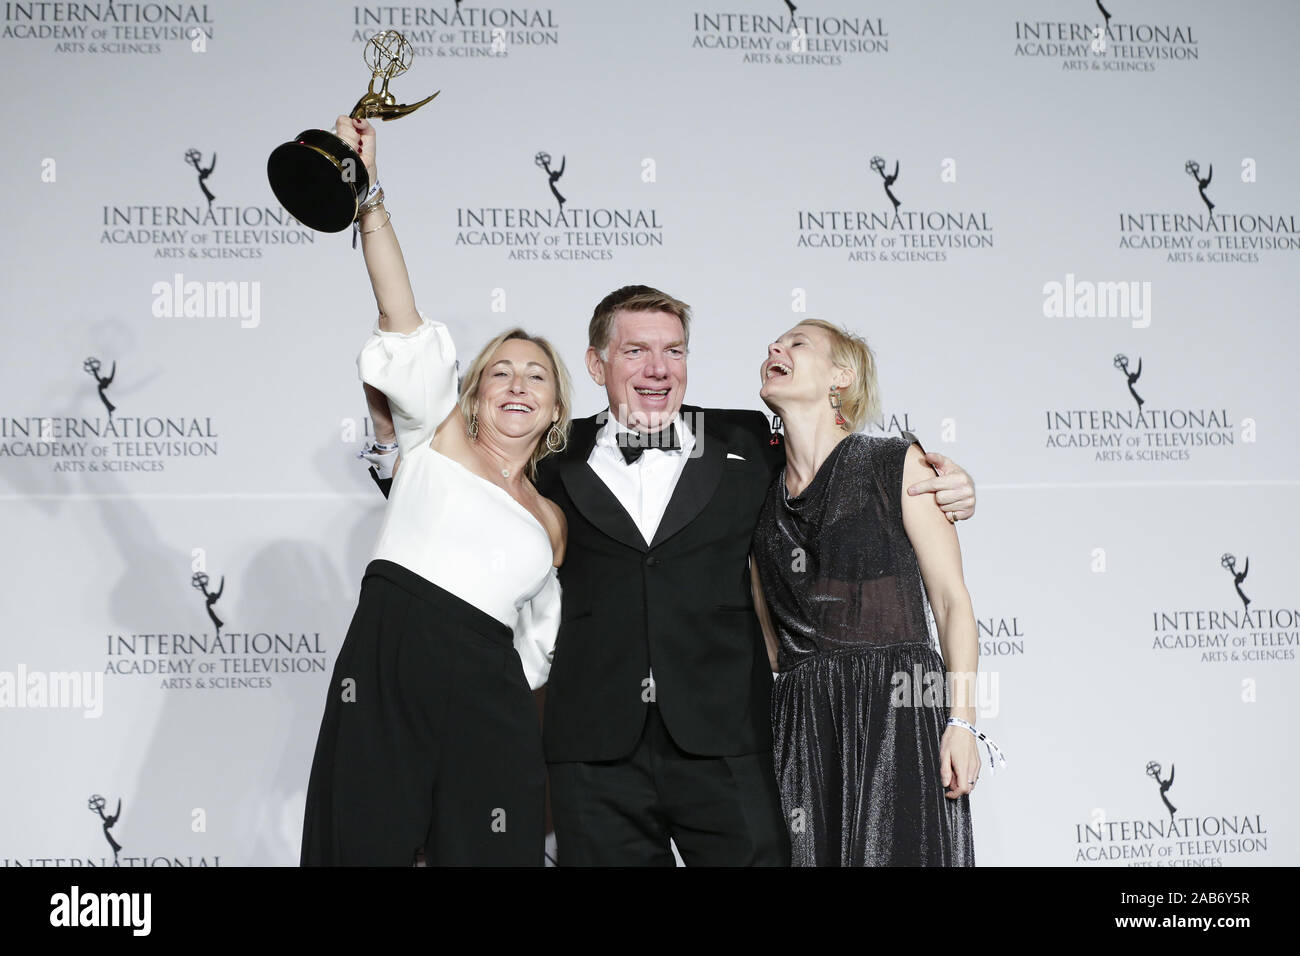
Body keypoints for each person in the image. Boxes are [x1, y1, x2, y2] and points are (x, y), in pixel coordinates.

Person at [366, 287, 977, 866]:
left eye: (673, 350)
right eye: (635, 350)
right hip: (592, 755)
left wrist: (951, 484)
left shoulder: (748, 441)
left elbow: (835, 462)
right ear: (597, 364)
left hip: (733, 744)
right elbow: (461, 484)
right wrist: (389, 439)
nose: (658, 367)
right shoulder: (551, 454)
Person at [300, 115, 572, 866]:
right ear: (473, 396)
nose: (517, 383)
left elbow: (539, 645)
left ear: (554, 411)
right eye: (501, 373)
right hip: (390, 657)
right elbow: (400, 314)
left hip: (491, 696)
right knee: (361, 844)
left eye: (537, 376)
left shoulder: (552, 520)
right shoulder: (436, 439)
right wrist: (369, 200)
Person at [750, 318, 989, 866]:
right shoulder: (757, 499)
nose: (774, 347)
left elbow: (951, 601)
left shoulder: (896, 464)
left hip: (896, 713)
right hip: (803, 723)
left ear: (841, 377)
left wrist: (963, 721)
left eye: (796, 343)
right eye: (774, 343)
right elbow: (770, 639)